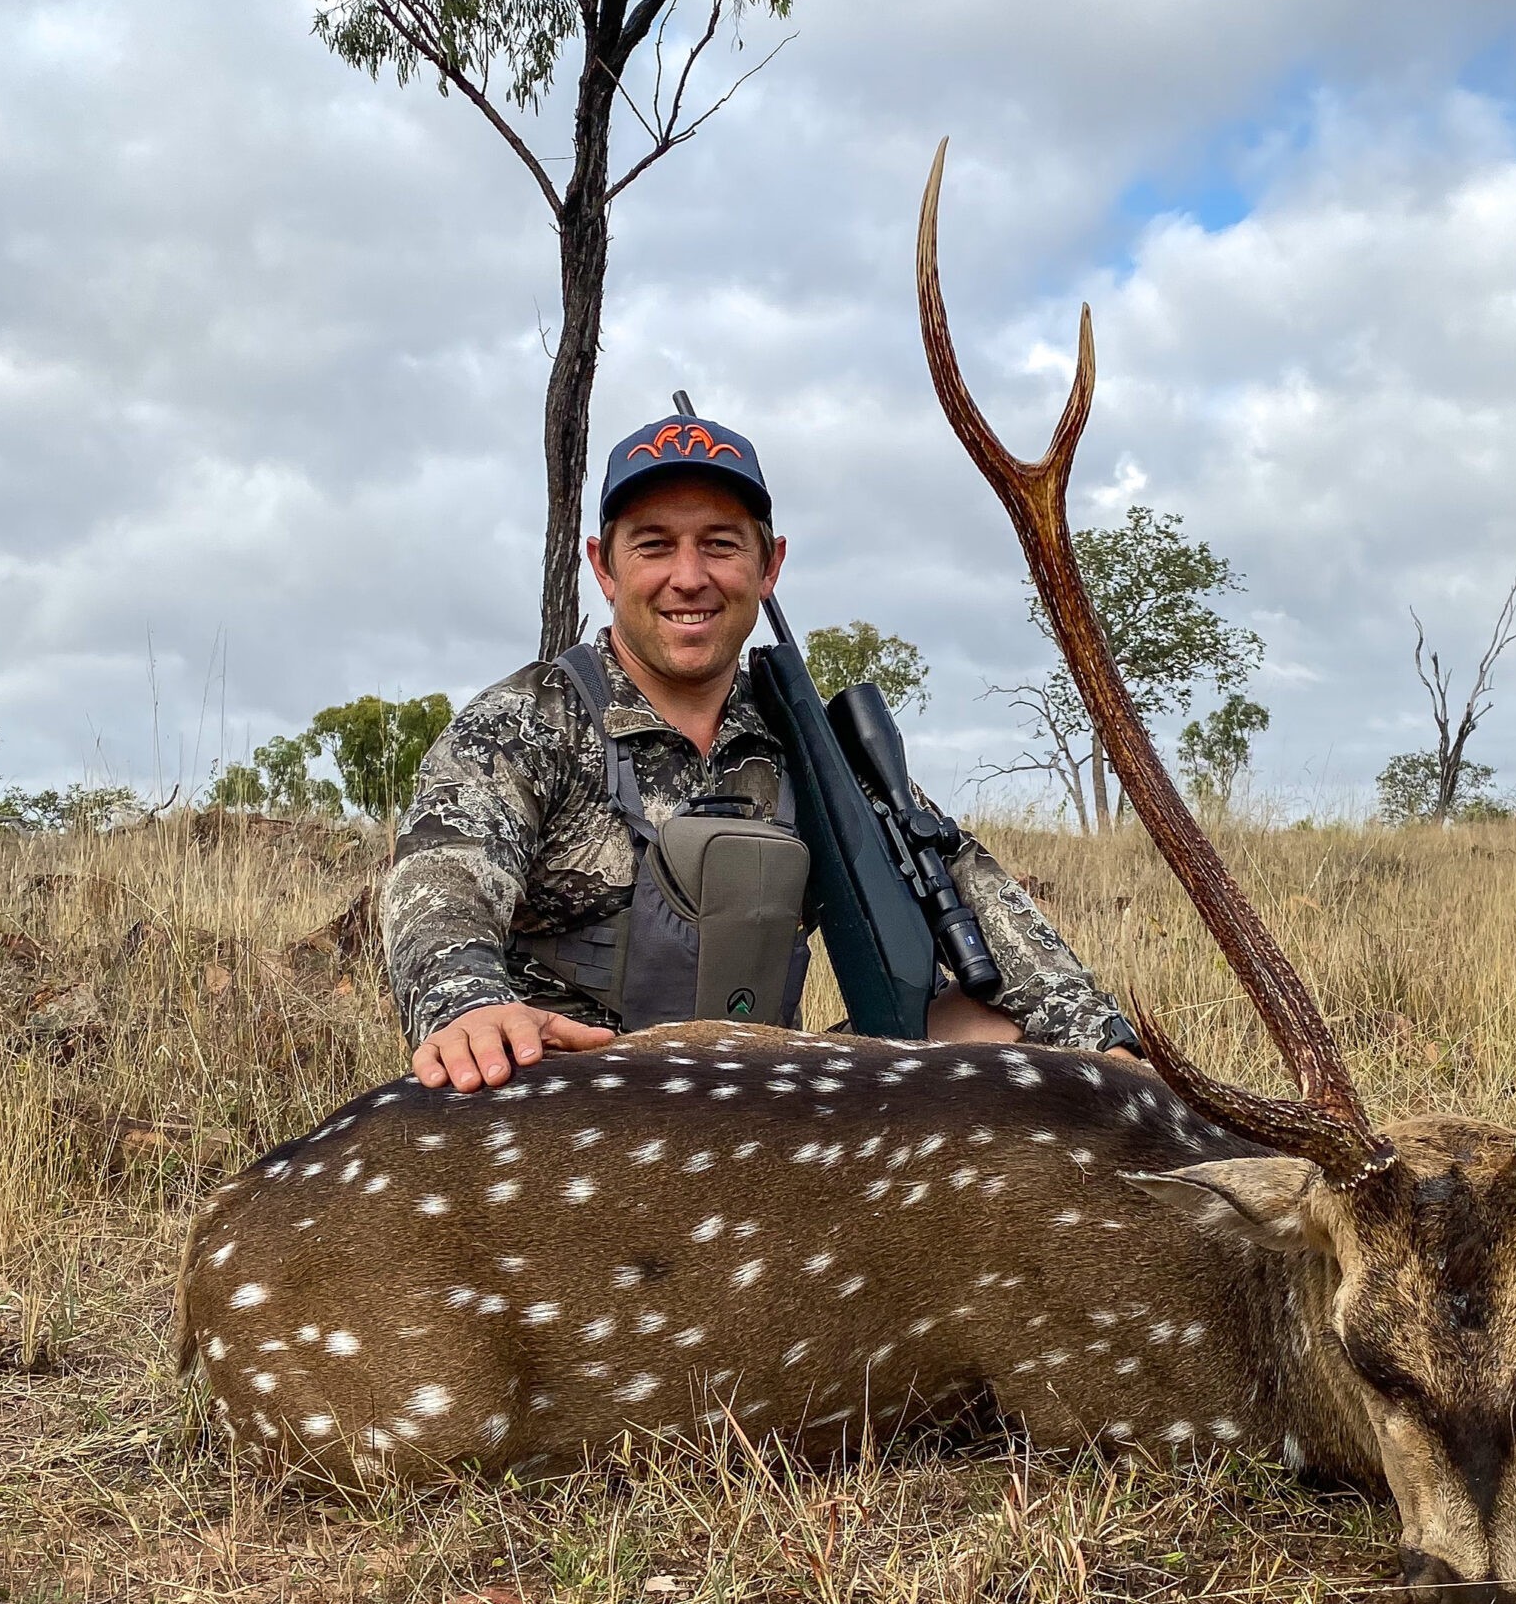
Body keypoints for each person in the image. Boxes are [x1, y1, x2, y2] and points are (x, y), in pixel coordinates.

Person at [382, 408, 1140, 1092]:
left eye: (719, 545)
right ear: (603, 565)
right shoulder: (524, 721)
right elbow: (438, 888)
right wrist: (470, 1004)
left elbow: (974, 892)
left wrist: (1108, 1049)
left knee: (999, 1027)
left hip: (761, 1109)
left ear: (769, 564)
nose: (689, 577)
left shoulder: (816, 752)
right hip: (574, 1099)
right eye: (655, 546)